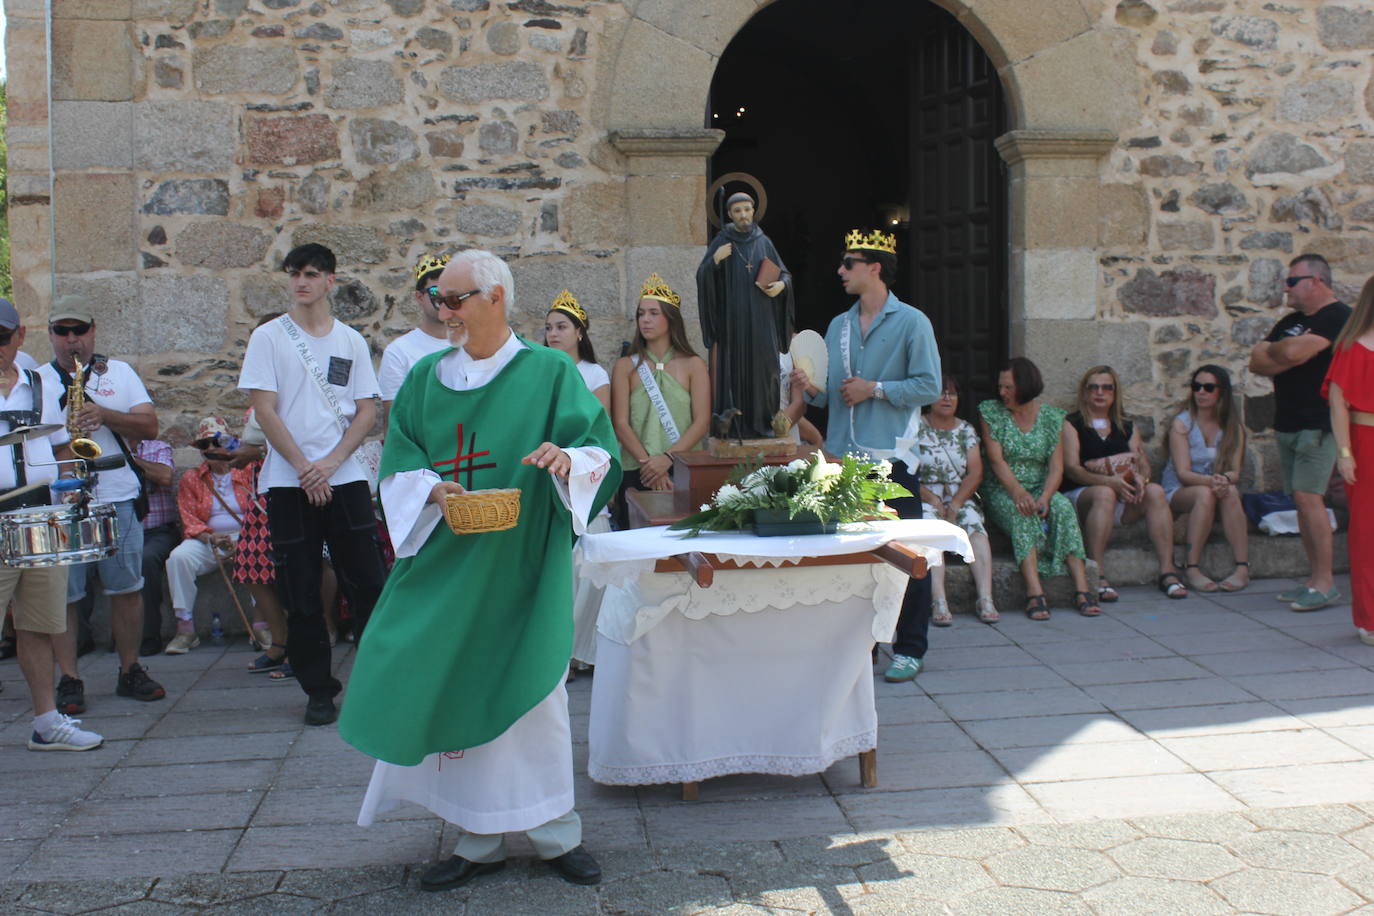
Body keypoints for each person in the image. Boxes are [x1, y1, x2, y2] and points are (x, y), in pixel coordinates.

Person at [338, 249, 620, 892]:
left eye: (455, 297)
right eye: (440, 298)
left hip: (523, 562)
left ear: (494, 298)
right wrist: (431, 492)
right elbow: (400, 460)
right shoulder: (425, 378)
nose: (445, 309)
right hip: (448, 560)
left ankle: (555, 833)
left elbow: (599, 448)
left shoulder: (548, 371)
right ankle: (476, 835)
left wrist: (567, 459)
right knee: (454, 680)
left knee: (535, 692)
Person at [238, 243, 388, 726]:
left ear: (330, 280)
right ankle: (318, 690)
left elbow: (367, 409)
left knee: (368, 583)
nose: (301, 281)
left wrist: (331, 462)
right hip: (288, 481)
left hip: (343, 478)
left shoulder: (350, 341)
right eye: (294, 273)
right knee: (300, 592)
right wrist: (305, 466)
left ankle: (378, 682)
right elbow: (265, 408)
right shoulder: (269, 337)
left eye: (311, 274)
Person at [793, 229, 942, 682]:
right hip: (841, 458)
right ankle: (863, 646)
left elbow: (929, 386)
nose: (840, 271)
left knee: (905, 554)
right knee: (856, 557)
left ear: (875, 268)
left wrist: (874, 389)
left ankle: (910, 646)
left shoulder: (912, 321)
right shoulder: (838, 326)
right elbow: (834, 399)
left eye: (849, 263)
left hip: (890, 458)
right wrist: (809, 389)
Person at [40, 295, 165, 713]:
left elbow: (149, 425)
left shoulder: (120, 373)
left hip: (116, 492)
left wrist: (104, 414)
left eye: (79, 331)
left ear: (93, 332)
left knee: (126, 588)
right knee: (66, 595)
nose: (71, 340)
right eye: (63, 332)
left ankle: (130, 669)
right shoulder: (36, 381)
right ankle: (69, 678)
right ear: (52, 335)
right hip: (64, 500)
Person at [0, 299, 101, 750]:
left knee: (38, 625)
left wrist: (71, 483)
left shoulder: (40, 384)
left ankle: (46, 722)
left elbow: (59, 446)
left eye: (2, 338)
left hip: (41, 516)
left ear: (19, 336)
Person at [1249, 253, 1352, 612]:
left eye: (1292, 281)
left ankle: (1325, 584)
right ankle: (1313, 579)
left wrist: (1282, 352)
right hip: (1289, 424)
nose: (1285, 287)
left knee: (1311, 500)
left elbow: (1288, 353)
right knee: (1302, 502)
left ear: (1316, 281)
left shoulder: (1339, 318)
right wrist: (1283, 352)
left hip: (1318, 425)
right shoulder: (1293, 320)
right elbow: (1257, 359)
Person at [978, 357, 1097, 620]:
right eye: (1001, 387)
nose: (1002, 393)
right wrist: (1018, 492)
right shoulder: (991, 413)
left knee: (1064, 507)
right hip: (1004, 488)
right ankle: (1035, 592)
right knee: (1023, 514)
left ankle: (1082, 588)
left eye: (1008, 387)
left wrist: (1044, 496)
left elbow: (1057, 468)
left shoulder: (1051, 418)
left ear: (1026, 385)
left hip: (1041, 486)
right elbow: (996, 460)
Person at [1062, 365, 1186, 601]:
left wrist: (1142, 478)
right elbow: (1072, 469)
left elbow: (1142, 463)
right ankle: (1097, 574)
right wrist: (1110, 482)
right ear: (1085, 392)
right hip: (1083, 496)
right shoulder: (1072, 423)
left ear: (1115, 392)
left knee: (1156, 491)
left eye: (1107, 387)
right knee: (1104, 494)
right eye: (1094, 387)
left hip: (1122, 497)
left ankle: (1167, 571)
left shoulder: (1126, 425)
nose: (1100, 392)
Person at [609, 275, 709, 527]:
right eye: (641, 313)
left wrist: (667, 459)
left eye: (654, 313)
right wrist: (650, 466)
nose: (645, 319)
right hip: (637, 467)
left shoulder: (694, 365)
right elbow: (620, 423)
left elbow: (702, 421)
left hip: (684, 468)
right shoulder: (625, 366)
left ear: (670, 318)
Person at [545, 290, 611, 672]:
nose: (554, 334)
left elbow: (598, 425)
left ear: (579, 333)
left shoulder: (593, 373)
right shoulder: (541, 371)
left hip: (583, 468)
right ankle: (559, 649)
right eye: (549, 328)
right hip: (550, 469)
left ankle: (583, 648)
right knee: (561, 564)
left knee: (588, 561)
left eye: (562, 327)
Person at [696, 191, 793, 439]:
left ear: (754, 211)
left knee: (764, 371)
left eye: (747, 210)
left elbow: (784, 273)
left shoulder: (764, 241)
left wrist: (782, 285)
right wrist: (715, 261)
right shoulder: (721, 240)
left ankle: (764, 422)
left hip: (762, 320)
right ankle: (735, 425)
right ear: (729, 214)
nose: (743, 215)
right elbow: (703, 275)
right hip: (734, 322)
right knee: (735, 371)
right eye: (737, 211)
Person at [162, 417, 256, 654]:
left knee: (259, 554)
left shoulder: (249, 470)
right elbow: (189, 518)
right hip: (210, 539)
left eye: (217, 442)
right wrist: (210, 538)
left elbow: (263, 509)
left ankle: (263, 623)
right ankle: (185, 629)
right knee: (178, 559)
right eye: (205, 445)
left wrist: (244, 538)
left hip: (247, 535)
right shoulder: (192, 478)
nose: (211, 448)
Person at [1161, 365, 1250, 593]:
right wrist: (1214, 482)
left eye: (1208, 387)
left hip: (1214, 485)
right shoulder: (1182, 424)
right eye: (1196, 386)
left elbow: (1235, 471)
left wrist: (1224, 480)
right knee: (1205, 493)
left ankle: (1242, 568)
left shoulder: (1233, 427)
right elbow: (1183, 473)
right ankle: (1192, 567)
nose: (1201, 392)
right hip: (1180, 489)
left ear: (1221, 392)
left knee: (1230, 492)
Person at [917, 376, 998, 624]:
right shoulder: (915, 427)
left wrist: (956, 503)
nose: (947, 398)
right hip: (926, 496)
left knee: (975, 526)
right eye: (941, 393)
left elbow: (975, 472)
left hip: (959, 497)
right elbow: (908, 471)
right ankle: (939, 600)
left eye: (952, 394)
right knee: (930, 530)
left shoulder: (966, 430)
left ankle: (985, 598)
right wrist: (933, 500)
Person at [1324, 274, 1374, 646]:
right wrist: (1344, 454)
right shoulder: (1350, 347)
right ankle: (1369, 619)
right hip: (1365, 442)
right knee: (1366, 535)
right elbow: (1339, 404)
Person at [380, 253, 453, 432]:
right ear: (419, 297)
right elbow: (395, 423)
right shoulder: (398, 352)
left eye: (450, 292)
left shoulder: (473, 344)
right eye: (435, 291)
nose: (442, 299)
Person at [132, 436, 178, 656]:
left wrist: (128, 459)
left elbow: (165, 476)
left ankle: (149, 635)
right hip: (121, 533)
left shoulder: (157, 447)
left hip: (157, 531)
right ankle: (81, 640)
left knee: (146, 559)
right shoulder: (99, 448)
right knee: (84, 564)